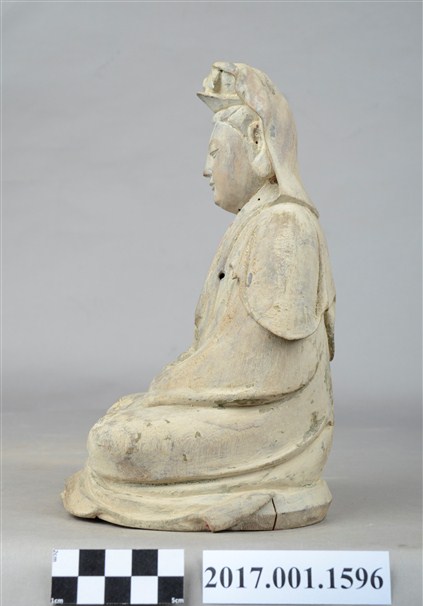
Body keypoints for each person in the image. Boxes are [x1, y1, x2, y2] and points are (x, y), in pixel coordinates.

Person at [63, 62, 336, 532]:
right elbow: (221, 352)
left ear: (257, 142)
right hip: (237, 407)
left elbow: (269, 371)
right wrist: (164, 394)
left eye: (214, 152)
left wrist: (165, 389)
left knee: (114, 443)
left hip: (271, 424)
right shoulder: (254, 222)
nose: (206, 169)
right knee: (120, 422)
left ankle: (259, 486)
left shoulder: (285, 226)